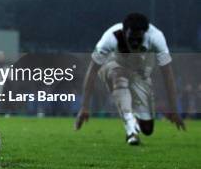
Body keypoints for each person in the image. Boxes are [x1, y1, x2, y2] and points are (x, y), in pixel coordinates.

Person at [75, 13, 186, 145]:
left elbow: (168, 75)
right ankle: (131, 131)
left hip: (139, 73)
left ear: (145, 34)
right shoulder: (111, 37)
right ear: (124, 32)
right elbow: (92, 70)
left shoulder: (156, 38)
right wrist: (84, 106)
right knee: (118, 76)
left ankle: (136, 117)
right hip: (113, 66)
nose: (134, 43)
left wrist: (173, 108)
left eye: (138, 39)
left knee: (147, 129)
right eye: (131, 38)